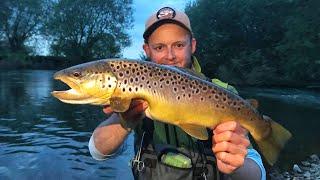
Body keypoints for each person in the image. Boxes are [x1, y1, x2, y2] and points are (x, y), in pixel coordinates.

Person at [89, 7, 266, 180]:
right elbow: (97, 151)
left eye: (179, 45)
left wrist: (237, 166)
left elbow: (258, 173)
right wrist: (124, 122)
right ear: (147, 50)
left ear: (193, 45)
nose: (170, 56)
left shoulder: (225, 94)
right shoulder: (133, 90)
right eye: (159, 47)